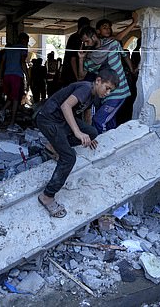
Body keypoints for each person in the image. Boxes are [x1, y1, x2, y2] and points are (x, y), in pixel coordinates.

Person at [36, 68, 119, 218]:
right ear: (98, 81)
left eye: (110, 91)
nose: (107, 93)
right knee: (69, 157)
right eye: (107, 88)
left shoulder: (95, 95)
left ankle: (53, 146)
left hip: (60, 121)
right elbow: (65, 106)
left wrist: (87, 135)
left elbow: (87, 113)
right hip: (49, 119)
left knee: (93, 132)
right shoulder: (85, 88)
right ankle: (47, 196)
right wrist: (77, 132)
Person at [78, 26, 132, 133]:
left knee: (98, 121)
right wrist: (81, 59)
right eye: (84, 42)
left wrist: (132, 69)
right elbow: (81, 76)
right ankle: (110, 146)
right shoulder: (91, 57)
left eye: (87, 41)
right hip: (105, 95)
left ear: (94, 36)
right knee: (109, 123)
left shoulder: (113, 44)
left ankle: (99, 146)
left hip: (119, 93)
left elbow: (125, 55)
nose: (86, 44)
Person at [0, 33, 29, 127]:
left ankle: (2, 111)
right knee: (15, 99)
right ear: (23, 40)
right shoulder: (23, 48)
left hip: (7, 75)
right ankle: (12, 122)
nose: (27, 43)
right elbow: (22, 62)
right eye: (27, 41)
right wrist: (27, 75)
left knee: (11, 97)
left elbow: (2, 62)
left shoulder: (9, 48)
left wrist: (0, 77)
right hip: (16, 75)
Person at [60, 17, 89, 87]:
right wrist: (77, 77)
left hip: (78, 73)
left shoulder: (82, 39)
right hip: (71, 73)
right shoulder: (74, 38)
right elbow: (72, 59)